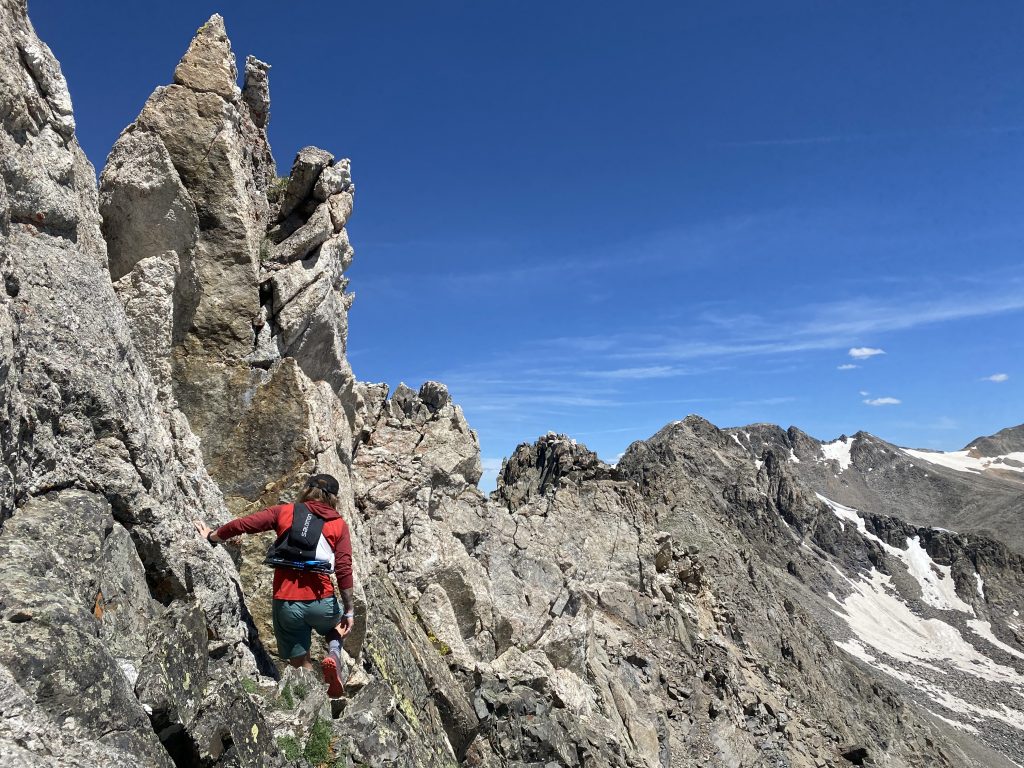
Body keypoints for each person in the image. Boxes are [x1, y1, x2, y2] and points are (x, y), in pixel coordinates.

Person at [194, 473, 354, 697]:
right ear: (334, 499)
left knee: (299, 660)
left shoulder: (285, 512)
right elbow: (344, 568)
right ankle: (334, 653)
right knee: (338, 627)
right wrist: (349, 611)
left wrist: (212, 536)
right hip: (322, 602)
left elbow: (244, 524)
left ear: (307, 490)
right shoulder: (338, 525)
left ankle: (311, 705)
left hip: (287, 603)